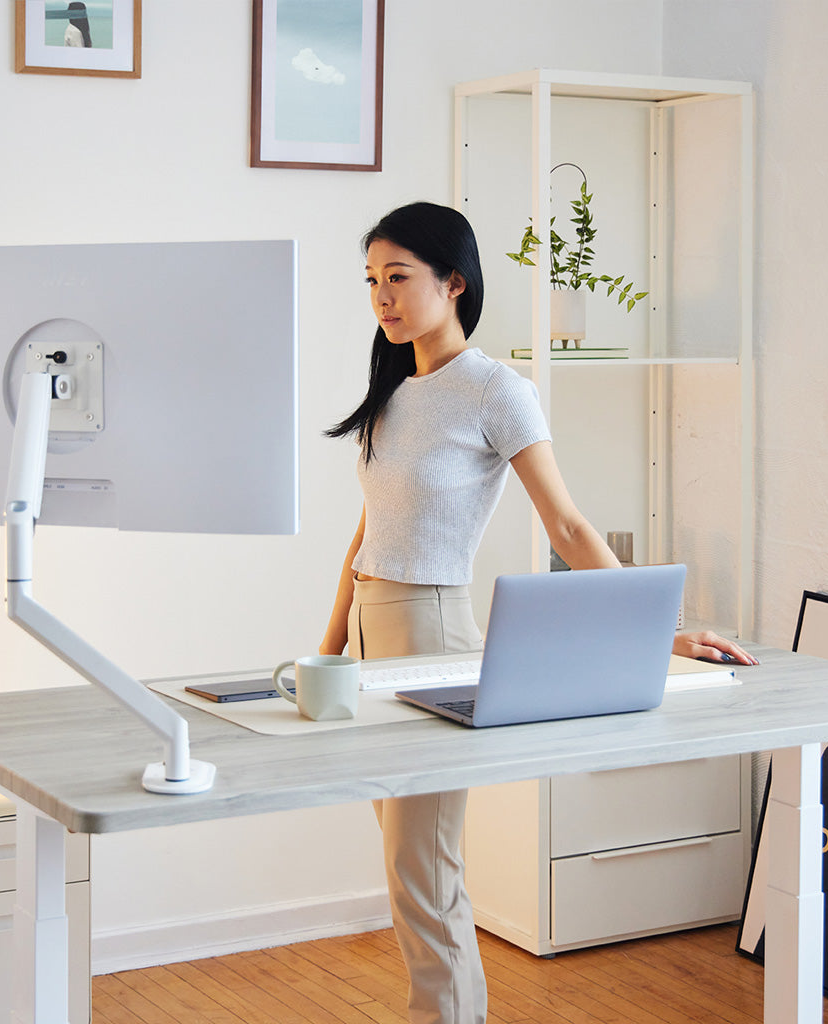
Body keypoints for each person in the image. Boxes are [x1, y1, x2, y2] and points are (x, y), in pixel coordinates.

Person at [320, 200, 756, 1024]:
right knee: (405, 863)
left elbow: (568, 523)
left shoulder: (495, 391)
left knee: (424, 869)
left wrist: (657, 628)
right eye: (373, 280)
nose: (382, 296)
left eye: (399, 277)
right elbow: (368, 530)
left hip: (433, 633)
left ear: (455, 283)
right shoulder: (394, 388)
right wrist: (329, 645)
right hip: (373, 639)